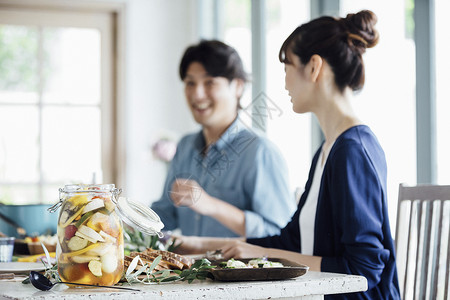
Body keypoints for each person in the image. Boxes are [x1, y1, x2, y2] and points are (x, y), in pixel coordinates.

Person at [173, 11, 400, 299]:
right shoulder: (330, 149)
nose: (285, 84)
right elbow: (292, 240)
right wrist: (198, 243)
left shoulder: (352, 150)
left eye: (287, 68)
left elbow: (362, 268)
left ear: (314, 67)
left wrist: (263, 253)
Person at [151, 40, 296, 238]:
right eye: (190, 83)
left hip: (243, 269)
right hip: (190, 269)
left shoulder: (260, 152)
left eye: (209, 82)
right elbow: (166, 216)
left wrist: (211, 206)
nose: (197, 94)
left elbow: (279, 233)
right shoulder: (185, 146)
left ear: (237, 87)